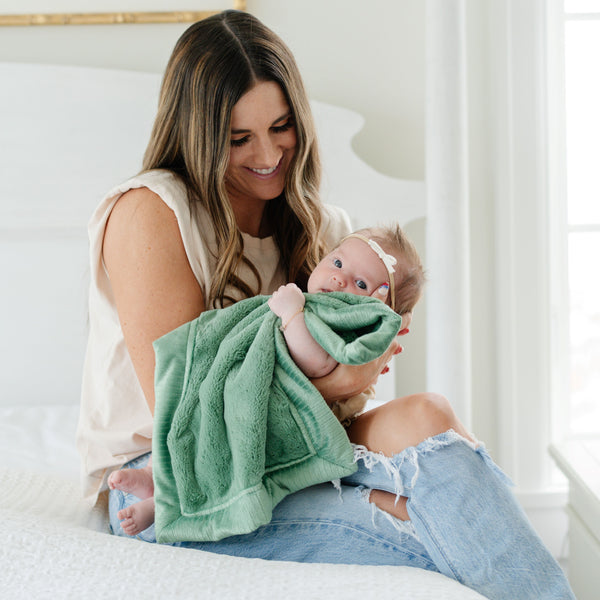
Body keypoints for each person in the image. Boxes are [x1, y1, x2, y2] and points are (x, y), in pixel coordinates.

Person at [76, 9, 575, 600]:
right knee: (447, 521)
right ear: (198, 135)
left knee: (429, 416)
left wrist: (359, 369)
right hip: (174, 478)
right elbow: (188, 419)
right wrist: (340, 381)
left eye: (282, 126)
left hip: (292, 449)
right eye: (239, 139)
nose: (268, 154)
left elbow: (348, 392)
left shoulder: (330, 234)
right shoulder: (152, 213)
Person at [107, 224, 424, 536]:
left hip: (279, 418)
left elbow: (316, 363)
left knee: (221, 448)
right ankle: (154, 476)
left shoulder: (339, 322)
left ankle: (160, 505)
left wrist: (291, 316)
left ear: (377, 305)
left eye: (360, 283)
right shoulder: (313, 305)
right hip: (249, 391)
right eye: (337, 263)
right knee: (199, 423)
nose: (339, 277)